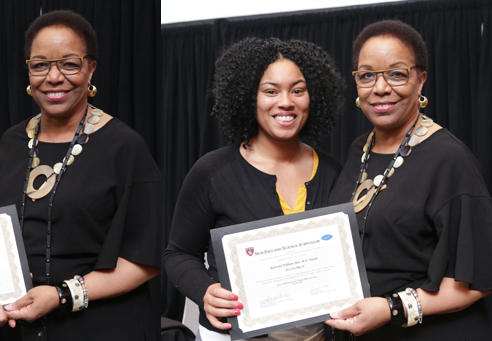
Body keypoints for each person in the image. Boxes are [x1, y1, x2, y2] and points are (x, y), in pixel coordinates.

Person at [0, 10, 161, 340]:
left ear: (91, 68)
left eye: (70, 64)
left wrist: (61, 295)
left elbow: (144, 260)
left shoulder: (124, 147)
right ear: (28, 70)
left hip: (103, 327)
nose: (54, 77)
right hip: (18, 328)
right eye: (40, 64)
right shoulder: (12, 141)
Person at [165, 37, 345, 341]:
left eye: (297, 90)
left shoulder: (334, 172)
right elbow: (179, 253)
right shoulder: (212, 172)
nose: (286, 102)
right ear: (249, 97)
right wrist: (206, 291)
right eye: (270, 91)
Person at [326, 20, 492, 340]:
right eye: (367, 75)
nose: (380, 88)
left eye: (397, 73)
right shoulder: (358, 149)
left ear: (421, 80)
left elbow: (479, 281)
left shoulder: (448, 159)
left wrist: (391, 307)